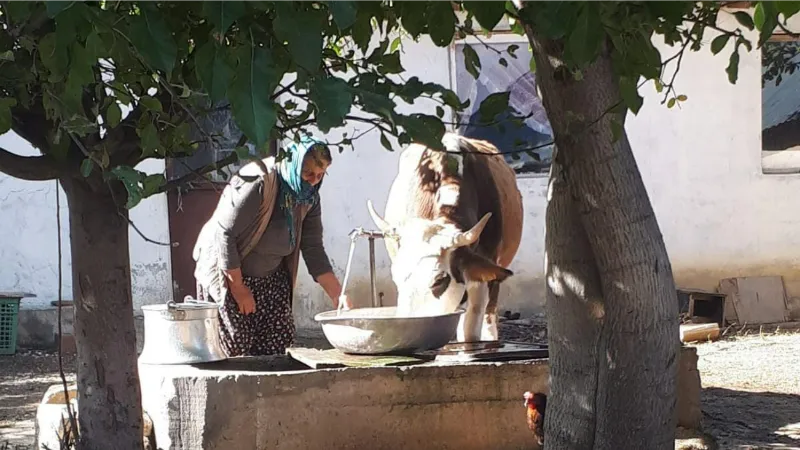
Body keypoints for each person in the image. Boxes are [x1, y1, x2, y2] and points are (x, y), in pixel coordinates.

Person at [192, 137, 351, 357]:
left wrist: (338, 295)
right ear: (294, 165)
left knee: (279, 340)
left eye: (320, 175)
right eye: (308, 173)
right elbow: (224, 233)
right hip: (229, 272)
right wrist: (238, 289)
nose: (313, 181)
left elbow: (313, 248)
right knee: (236, 342)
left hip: (271, 278)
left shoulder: (308, 197)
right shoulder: (258, 182)